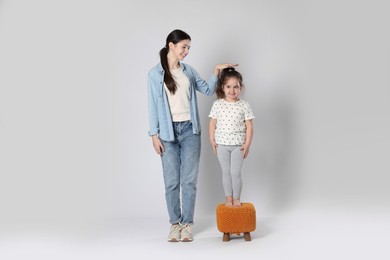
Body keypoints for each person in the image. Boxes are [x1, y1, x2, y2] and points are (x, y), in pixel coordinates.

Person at [147, 29, 237, 242]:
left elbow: (206, 90)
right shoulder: (154, 74)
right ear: (171, 45)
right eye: (183, 47)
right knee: (171, 182)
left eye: (188, 48)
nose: (186, 51)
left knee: (188, 181)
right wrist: (153, 135)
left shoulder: (188, 72)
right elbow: (151, 106)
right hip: (168, 134)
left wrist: (215, 71)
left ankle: (186, 224)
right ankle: (174, 224)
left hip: (190, 131)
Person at [208, 67, 254, 207]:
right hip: (222, 145)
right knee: (226, 172)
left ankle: (237, 198)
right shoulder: (218, 104)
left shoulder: (244, 105)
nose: (232, 90)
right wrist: (212, 140)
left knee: (236, 172)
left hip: (238, 146)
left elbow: (250, 127)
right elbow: (212, 123)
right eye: (228, 86)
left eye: (236, 87)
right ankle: (229, 199)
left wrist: (247, 145)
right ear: (223, 87)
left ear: (240, 88)